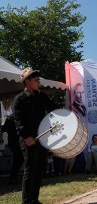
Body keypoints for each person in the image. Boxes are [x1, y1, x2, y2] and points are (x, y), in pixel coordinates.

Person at [13, 67, 57, 204]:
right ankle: (27, 201)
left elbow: (53, 108)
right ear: (27, 81)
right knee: (30, 170)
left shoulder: (41, 96)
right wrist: (27, 137)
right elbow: (18, 121)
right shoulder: (19, 99)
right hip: (28, 140)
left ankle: (35, 199)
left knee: (39, 170)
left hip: (42, 138)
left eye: (39, 78)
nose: (39, 81)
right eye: (36, 79)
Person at [1, 114, 24, 184]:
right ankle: (13, 178)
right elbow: (4, 130)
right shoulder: (11, 117)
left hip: (14, 141)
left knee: (18, 158)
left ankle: (13, 177)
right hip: (13, 141)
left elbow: (3, 129)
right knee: (19, 157)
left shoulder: (12, 117)